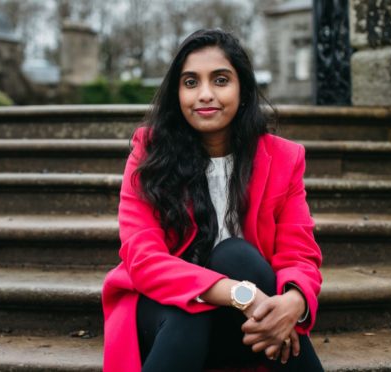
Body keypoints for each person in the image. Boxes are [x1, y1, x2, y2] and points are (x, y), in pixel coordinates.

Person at [102, 29, 324, 372]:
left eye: (220, 80)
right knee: (189, 311)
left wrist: (292, 305)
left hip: (247, 326)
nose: (205, 94)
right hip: (165, 316)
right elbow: (144, 260)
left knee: (235, 254)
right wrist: (240, 293)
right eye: (191, 83)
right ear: (177, 93)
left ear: (243, 90)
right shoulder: (149, 153)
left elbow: (300, 254)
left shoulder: (283, 158)